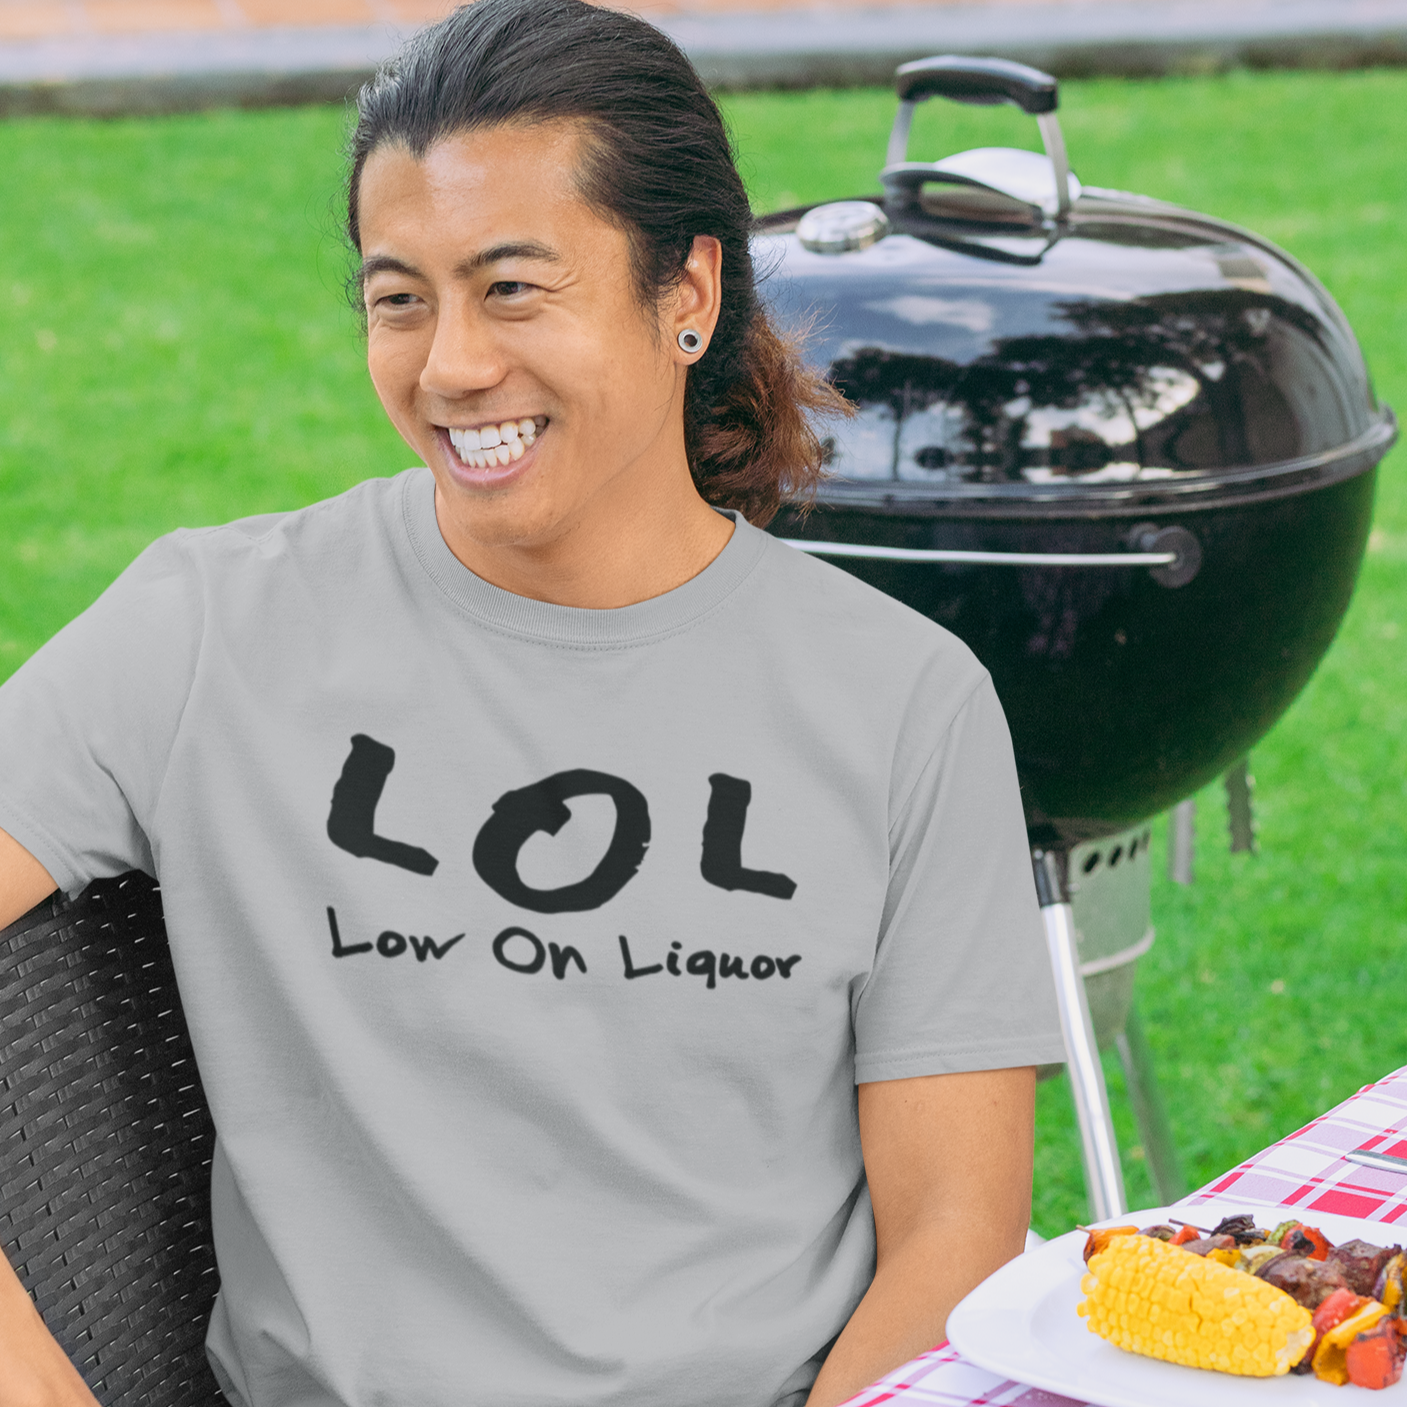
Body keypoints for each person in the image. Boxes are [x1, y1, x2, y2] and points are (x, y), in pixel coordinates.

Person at [0, 2, 1065, 1404]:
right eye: (399, 297)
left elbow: (950, 1229)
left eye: (511, 288)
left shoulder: (902, 702)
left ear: (684, 294)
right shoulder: (210, 627)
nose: (447, 365)